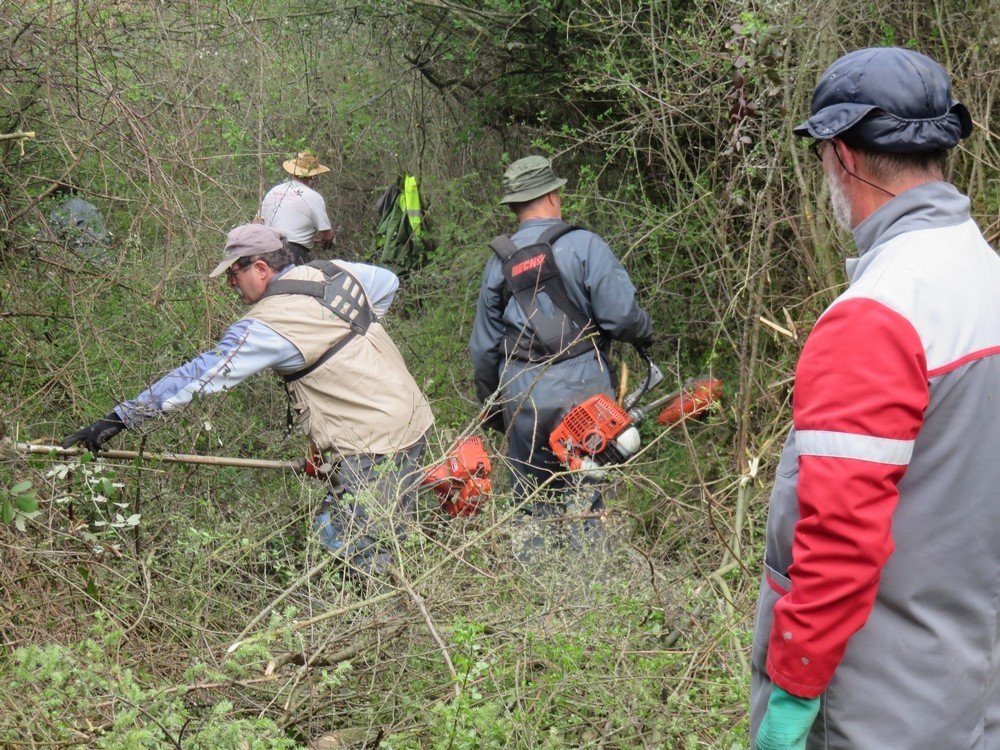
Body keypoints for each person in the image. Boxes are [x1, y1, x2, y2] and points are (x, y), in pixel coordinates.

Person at [750, 47, 998, 749]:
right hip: (973, 692)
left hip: (878, 711)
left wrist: (794, 695)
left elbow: (838, 544)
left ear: (842, 158)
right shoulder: (987, 276)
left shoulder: (876, 317)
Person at [64, 224, 434, 579]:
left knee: (346, 549)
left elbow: (199, 376)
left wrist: (119, 419)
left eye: (234, 273)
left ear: (260, 268)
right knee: (385, 524)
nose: (229, 283)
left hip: (373, 443)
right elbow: (388, 282)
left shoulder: (267, 325)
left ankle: (378, 618)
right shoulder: (332, 273)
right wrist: (354, 332)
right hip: (411, 417)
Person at [469, 155, 653, 553]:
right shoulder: (585, 246)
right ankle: (590, 588)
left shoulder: (496, 265)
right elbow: (622, 317)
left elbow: (484, 349)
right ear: (552, 195)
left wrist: (496, 408)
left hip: (522, 397)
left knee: (532, 503)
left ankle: (538, 592)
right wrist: (645, 335)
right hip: (583, 392)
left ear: (516, 205)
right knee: (587, 497)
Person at [258, 151, 335, 264]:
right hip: (294, 253)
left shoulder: (273, 191)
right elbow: (327, 236)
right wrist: (327, 243)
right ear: (314, 175)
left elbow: (256, 223)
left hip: (266, 250)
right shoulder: (314, 197)